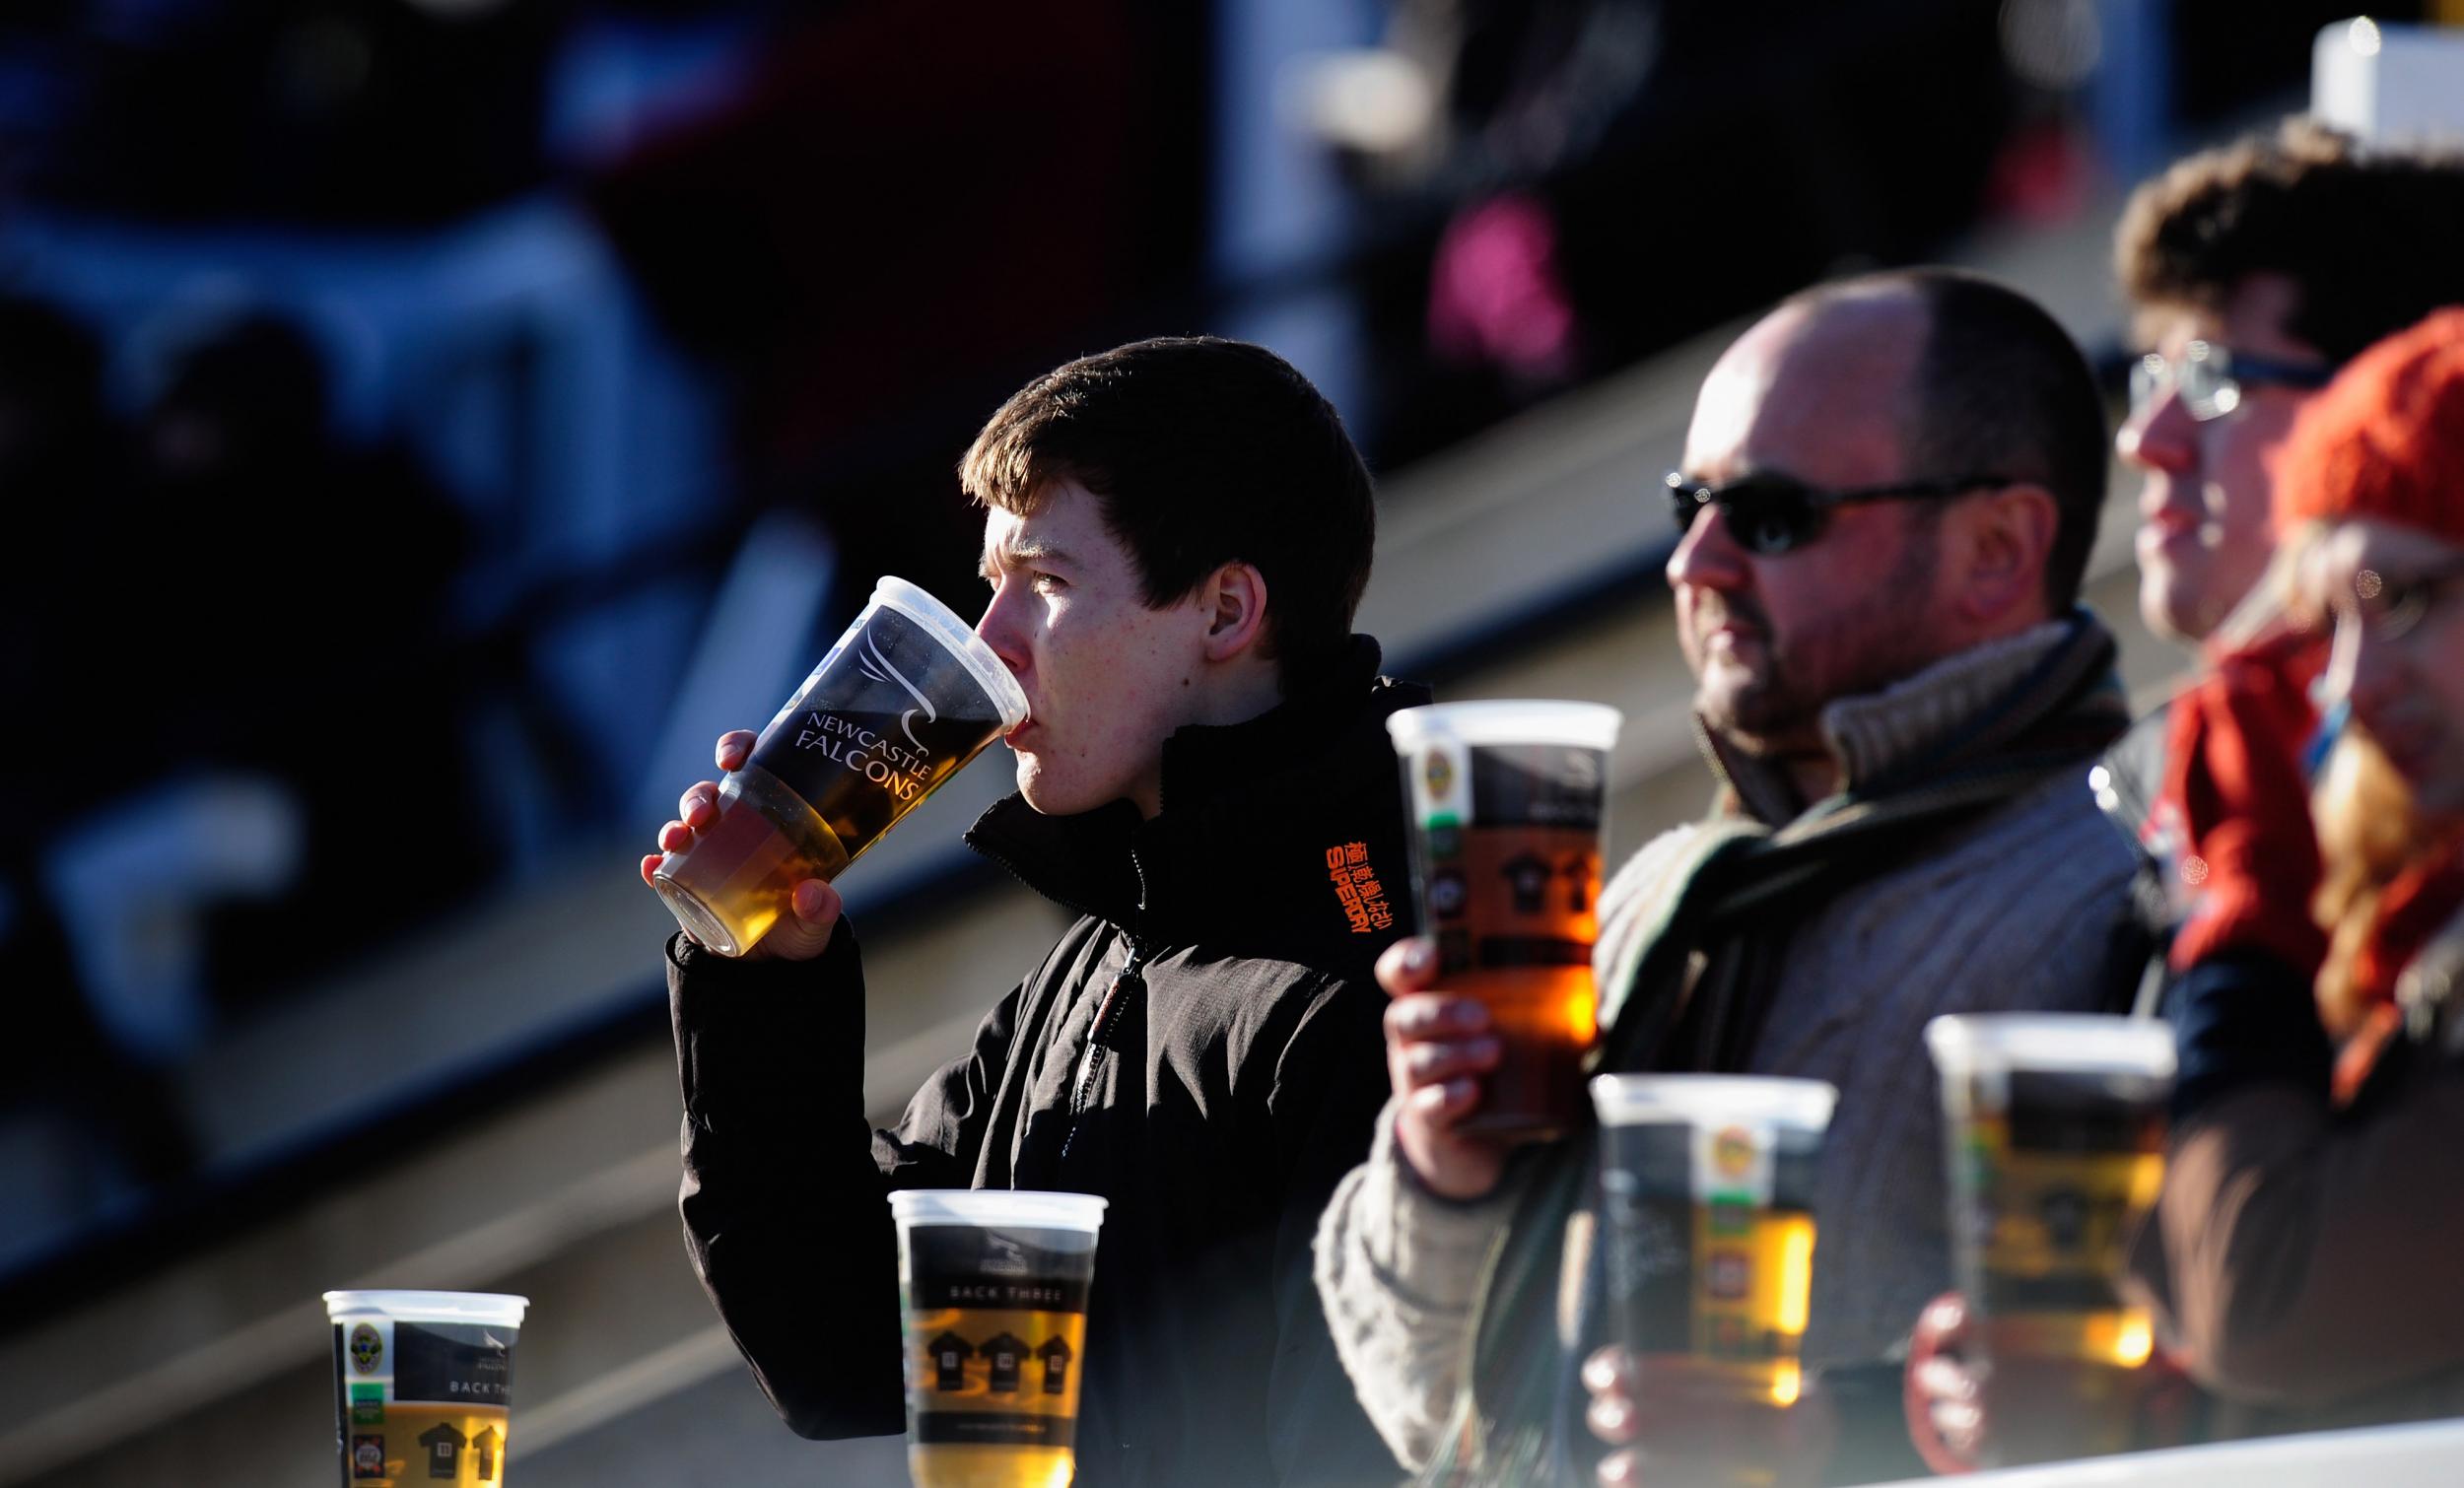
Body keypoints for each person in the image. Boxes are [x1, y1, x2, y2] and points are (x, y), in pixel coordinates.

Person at [1314, 268, 2147, 1486]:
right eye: (1684, 504)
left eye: (1767, 513)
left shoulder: (2115, 907)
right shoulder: (1666, 893)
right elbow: (1429, 1418)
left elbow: (2139, 1418)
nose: (1692, 563)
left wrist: (1838, 1441)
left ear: (1996, 547)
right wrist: (1444, 1167)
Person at [649, 336, 1421, 1488]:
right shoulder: (1103, 956)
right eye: (989, 585)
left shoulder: (1375, 981)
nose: (991, 641)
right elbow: (851, 1348)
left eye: (1046, 585)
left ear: (1224, 611)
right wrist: (766, 973)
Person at [1910, 122, 2464, 1471]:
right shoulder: (2179, 785)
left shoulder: (2307, 830)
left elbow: (2274, 1286)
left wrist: (2243, 902)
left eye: (2212, 378)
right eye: (2149, 371)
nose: (2146, 437)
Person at [2127, 309, 2464, 1438]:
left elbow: (2268, 1301)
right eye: (2331, 620)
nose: (2349, 686)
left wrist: (2249, 915)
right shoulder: (2406, 906)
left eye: (2406, 600)